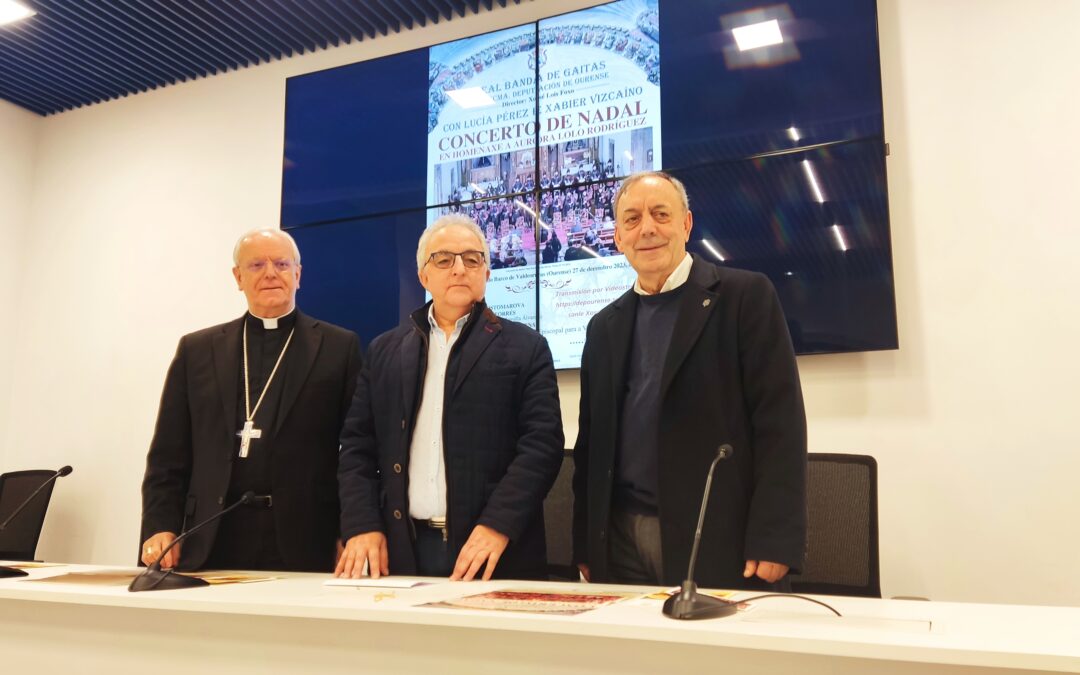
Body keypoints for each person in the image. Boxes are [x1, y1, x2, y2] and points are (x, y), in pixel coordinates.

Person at [573, 171, 806, 590]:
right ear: (618, 238)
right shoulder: (602, 326)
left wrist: (775, 537)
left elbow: (780, 425)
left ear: (686, 224)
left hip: (715, 536)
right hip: (620, 539)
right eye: (632, 219)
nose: (647, 228)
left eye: (661, 214)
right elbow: (590, 443)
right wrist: (585, 543)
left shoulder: (744, 298)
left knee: (718, 656)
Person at [336, 214, 564, 581]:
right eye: (443, 259)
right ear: (423, 275)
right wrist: (361, 522)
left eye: (472, 259)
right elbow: (357, 446)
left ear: (487, 273)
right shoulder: (383, 351)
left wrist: (498, 523)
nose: (459, 268)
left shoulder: (526, 347)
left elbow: (542, 445)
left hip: (492, 549)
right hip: (401, 547)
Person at [140, 229, 362, 572]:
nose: (270, 273)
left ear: (298, 275)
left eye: (281, 264)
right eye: (257, 264)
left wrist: (350, 531)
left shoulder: (338, 348)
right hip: (211, 534)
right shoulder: (196, 351)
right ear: (238, 277)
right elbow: (168, 454)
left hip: (305, 538)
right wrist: (159, 525)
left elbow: (355, 453)